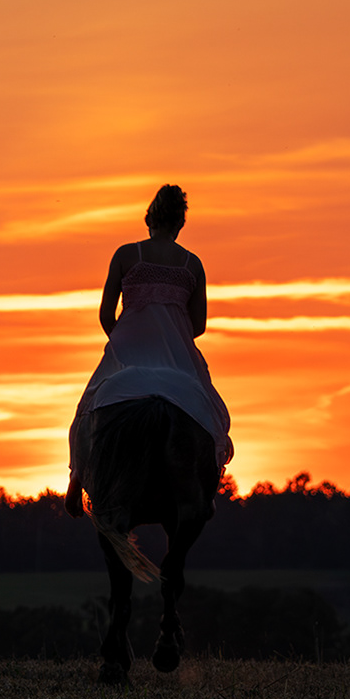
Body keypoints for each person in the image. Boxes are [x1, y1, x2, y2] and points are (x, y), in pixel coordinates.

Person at [64, 184, 233, 517]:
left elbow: (105, 314)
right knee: (211, 413)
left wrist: (123, 342)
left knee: (88, 406)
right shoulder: (192, 264)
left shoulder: (127, 255)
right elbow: (198, 326)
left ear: (148, 219)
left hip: (128, 349)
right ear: (180, 224)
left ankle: (76, 479)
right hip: (177, 355)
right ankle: (205, 491)